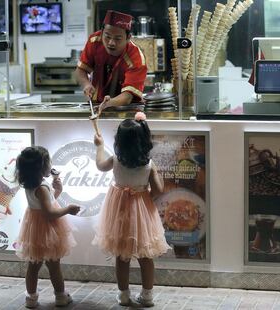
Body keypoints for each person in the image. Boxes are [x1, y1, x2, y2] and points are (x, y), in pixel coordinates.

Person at [92, 112, 171, 307]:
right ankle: (147, 296)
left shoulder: (115, 160)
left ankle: (124, 295)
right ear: (144, 140)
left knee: (121, 255)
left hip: (118, 211)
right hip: (142, 211)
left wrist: (100, 147)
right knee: (146, 255)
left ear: (119, 141)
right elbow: (159, 190)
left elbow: (100, 166)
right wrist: (146, 197)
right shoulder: (149, 165)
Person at [14, 146, 81, 308]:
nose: (51, 165)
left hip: (34, 228)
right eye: (49, 162)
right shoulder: (42, 188)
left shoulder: (31, 184)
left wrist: (57, 190)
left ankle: (31, 298)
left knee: (33, 265)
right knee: (54, 265)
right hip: (47, 229)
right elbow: (50, 213)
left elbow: (44, 204)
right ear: (41, 167)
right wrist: (68, 209)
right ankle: (60, 296)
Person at [75, 10, 147, 115]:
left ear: (128, 38)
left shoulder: (136, 57)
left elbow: (127, 96)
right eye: (107, 36)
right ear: (102, 32)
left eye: (118, 39)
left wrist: (107, 104)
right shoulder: (94, 41)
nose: (111, 43)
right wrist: (86, 84)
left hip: (127, 110)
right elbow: (80, 70)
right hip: (96, 104)